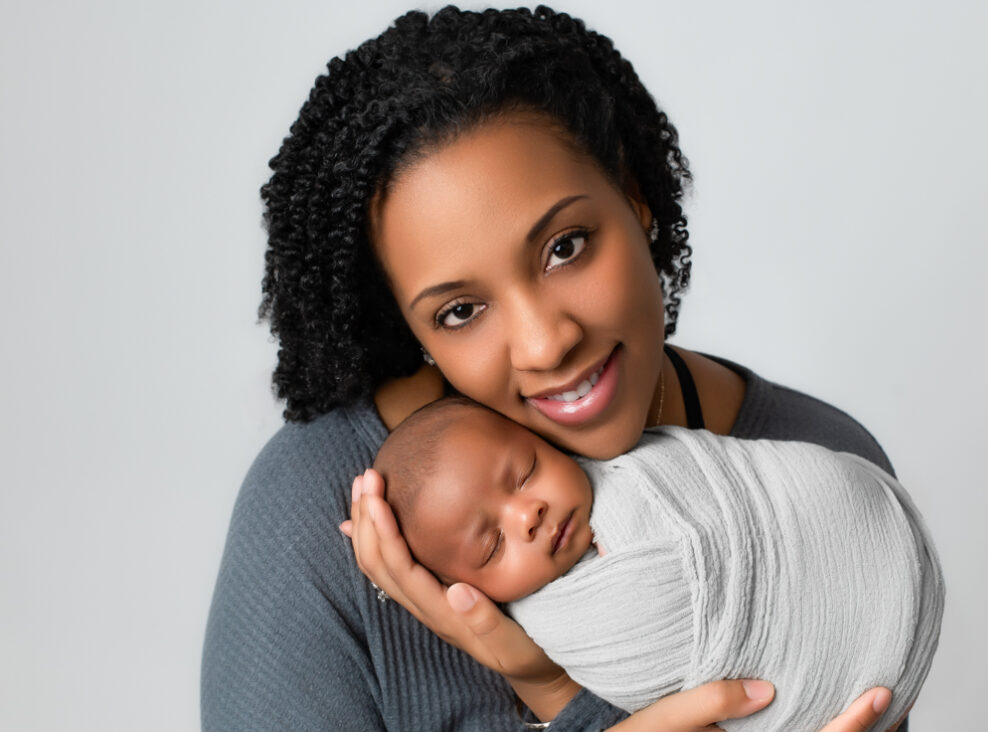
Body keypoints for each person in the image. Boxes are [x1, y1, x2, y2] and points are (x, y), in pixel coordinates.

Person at [202, 6, 912, 730]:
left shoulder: (825, 467)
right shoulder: (315, 513)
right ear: (409, 329)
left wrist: (548, 684)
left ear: (636, 200)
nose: (545, 344)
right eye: (458, 312)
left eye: (565, 247)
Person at [367, 396, 941, 730]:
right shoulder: (559, 619)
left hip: (890, 560)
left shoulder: (632, 463)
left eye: (525, 472)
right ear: (469, 590)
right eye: (491, 546)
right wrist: (548, 685)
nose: (529, 515)